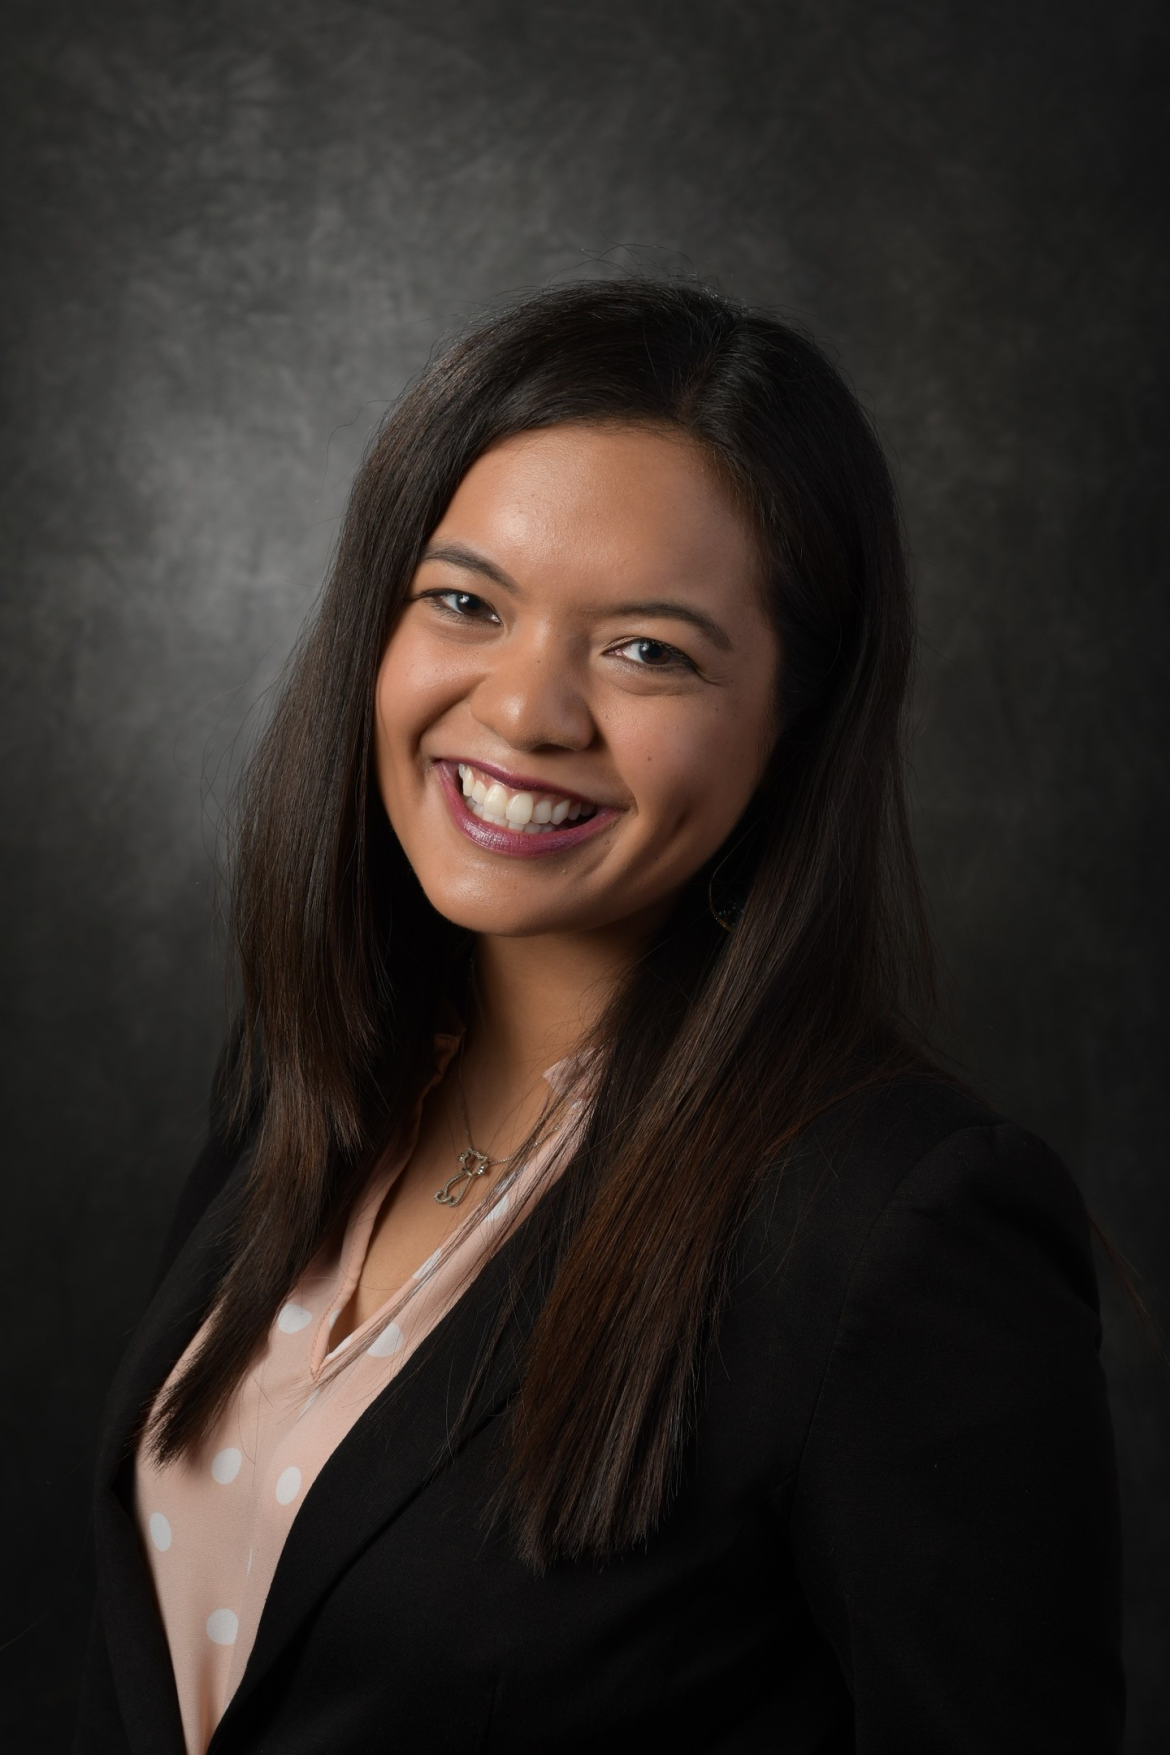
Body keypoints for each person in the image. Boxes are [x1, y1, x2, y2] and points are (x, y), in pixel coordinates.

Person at [74, 279, 1124, 1754]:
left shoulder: (899, 1224)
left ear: (794, 727)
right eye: (465, 602)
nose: (522, 712)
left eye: (647, 650)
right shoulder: (307, 1096)